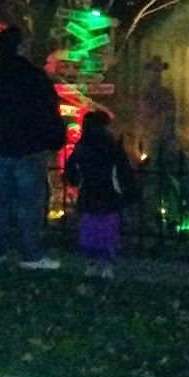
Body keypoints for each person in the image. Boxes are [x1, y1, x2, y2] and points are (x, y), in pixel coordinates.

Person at [0, 25, 67, 269]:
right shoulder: (33, 76)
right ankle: (30, 255)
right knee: (29, 205)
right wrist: (55, 138)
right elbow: (48, 111)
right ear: (20, 47)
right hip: (27, 149)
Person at [65, 109, 139, 277]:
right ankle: (107, 265)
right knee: (109, 231)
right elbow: (123, 172)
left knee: (89, 230)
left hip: (88, 196)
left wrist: (76, 182)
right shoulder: (112, 146)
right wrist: (130, 193)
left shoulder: (81, 147)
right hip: (109, 196)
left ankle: (90, 263)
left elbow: (72, 174)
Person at [136, 56, 177, 164]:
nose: (156, 74)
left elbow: (171, 112)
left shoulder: (166, 92)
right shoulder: (146, 91)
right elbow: (144, 109)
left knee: (163, 157)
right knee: (151, 154)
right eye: (154, 70)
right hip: (150, 128)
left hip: (163, 128)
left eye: (158, 70)